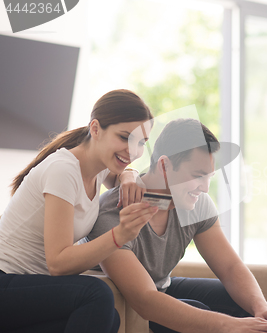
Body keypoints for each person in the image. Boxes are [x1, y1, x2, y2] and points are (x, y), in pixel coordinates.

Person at [86, 118, 267, 333]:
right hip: (127, 302)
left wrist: (260, 307)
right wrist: (227, 325)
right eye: (197, 176)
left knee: (243, 306)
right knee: (203, 313)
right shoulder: (113, 212)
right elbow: (145, 299)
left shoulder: (196, 204)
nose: (205, 188)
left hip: (161, 287)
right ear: (164, 165)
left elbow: (230, 268)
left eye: (209, 178)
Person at [0, 89, 159, 333]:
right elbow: (58, 264)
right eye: (124, 137)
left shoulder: (99, 166)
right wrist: (119, 236)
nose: (133, 151)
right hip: (6, 280)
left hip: (30, 285)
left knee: (109, 320)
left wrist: (130, 174)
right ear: (95, 129)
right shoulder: (63, 171)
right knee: (95, 295)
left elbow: (119, 174)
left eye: (140, 142)